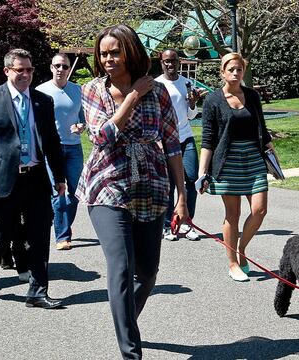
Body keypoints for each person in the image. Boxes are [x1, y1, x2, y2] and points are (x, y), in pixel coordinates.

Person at [77, 25, 188, 359]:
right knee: (121, 267)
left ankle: (125, 320)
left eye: (115, 52)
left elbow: (172, 145)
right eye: (103, 53)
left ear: (130, 52)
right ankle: (131, 353)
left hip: (150, 184)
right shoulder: (93, 90)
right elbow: (100, 137)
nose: (108, 59)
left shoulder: (160, 92)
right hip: (107, 183)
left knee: (148, 272)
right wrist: (132, 97)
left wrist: (182, 196)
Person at [0, 48, 66, 309]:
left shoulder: (43, 101)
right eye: (19, 70)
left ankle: (37, 290)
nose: (25, 74)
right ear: (7, 71)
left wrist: (60, 176)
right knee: (0, 234)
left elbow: (53, 143)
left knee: (40, 235)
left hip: (35, 178)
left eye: (29, 70)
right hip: (3, 179)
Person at [198, 52, 274, 282]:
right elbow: (208, 139)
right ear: (222, 72)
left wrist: (273, 157)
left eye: (239, 69)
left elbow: (262, 127)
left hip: (253, 157)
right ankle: (233, 263)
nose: (235, 73)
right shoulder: (213, 100)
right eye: (230, 69)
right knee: (233, 214)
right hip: (227, 161)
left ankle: (240, 249)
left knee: (259, 210)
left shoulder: (252, 96)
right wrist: (202, 173)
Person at [36, 53, 86, 250]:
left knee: (75, 194)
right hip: (51, 149)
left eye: (64, 66)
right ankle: (62, 236)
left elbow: (83, 118)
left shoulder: (77, 90)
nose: (61, 69)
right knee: (59, 192)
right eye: (57, 65)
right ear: (51, 68)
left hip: (74, 147)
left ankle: (60, 222)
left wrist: (81, 126)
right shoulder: (41, 91)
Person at [155, 49, 204, 241]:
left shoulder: (186, 83)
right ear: (161, 63)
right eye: (166, 61)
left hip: (185, 138)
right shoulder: (157, 84)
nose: (170, 64)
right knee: (169, 184)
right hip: (166, 140)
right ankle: (168, 225)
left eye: (173, 61)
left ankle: (186, 222)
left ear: (179, 62)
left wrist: (192, 104)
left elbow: (191, 116)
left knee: (191, 180)